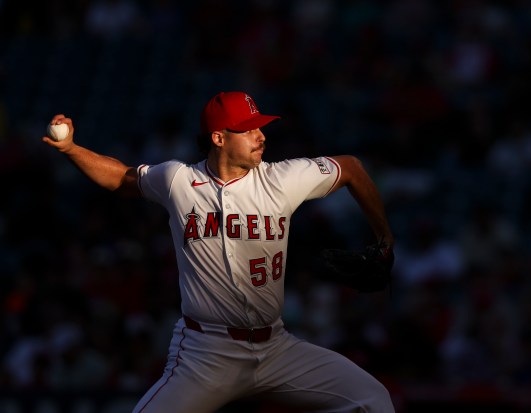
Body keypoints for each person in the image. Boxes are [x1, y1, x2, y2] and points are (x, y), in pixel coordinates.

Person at [42, 91, 395, 413]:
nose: (262, 136)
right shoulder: (177, 181)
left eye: (261, 127)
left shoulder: (282, 179)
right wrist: (71, 149)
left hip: (276, 347)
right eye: (249, 129)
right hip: (207, 352)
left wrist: (384, 241)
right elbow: (121, 178)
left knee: (373, 400)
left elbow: (350, 167)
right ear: (218, 138)